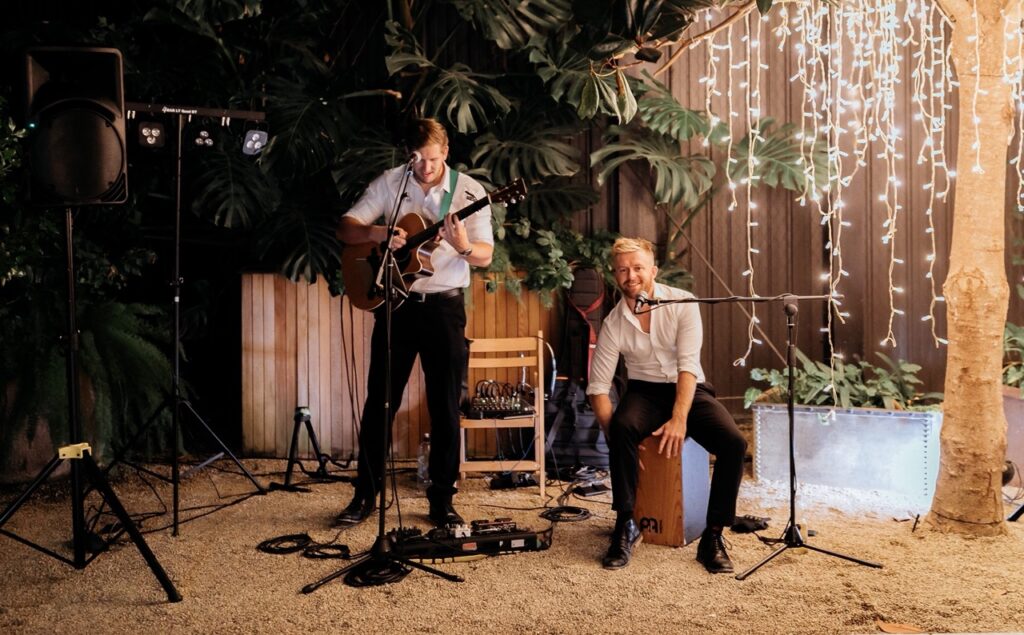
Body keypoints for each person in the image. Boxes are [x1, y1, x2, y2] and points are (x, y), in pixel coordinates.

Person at [335, 118, 494, 527]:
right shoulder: (391, 182)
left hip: (445, 308)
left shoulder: (469, 191)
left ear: (447, 153)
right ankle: (365, 495)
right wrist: (378, 233)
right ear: (409, 154)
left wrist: (463, 246)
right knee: (380, 402)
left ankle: (442, 500)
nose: (425, 167)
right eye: (418, 159)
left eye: (433, 159)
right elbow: (347, 229)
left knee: (446, 406)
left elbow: (485, 254)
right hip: (396, 305)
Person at [586, 237, 747, 572]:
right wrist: (617, 441)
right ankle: (625, 524)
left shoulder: (683, 302)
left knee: (734, 443)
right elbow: (598, 388)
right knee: (621, 426)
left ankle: (713, 536)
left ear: (653, 271)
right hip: (643, 392)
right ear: (615, 276)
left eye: (638, 268)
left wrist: (679, 419)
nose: (631, 276)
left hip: (689, 387)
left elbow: (688, 366)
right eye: (623, 270)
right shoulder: (614, 322)